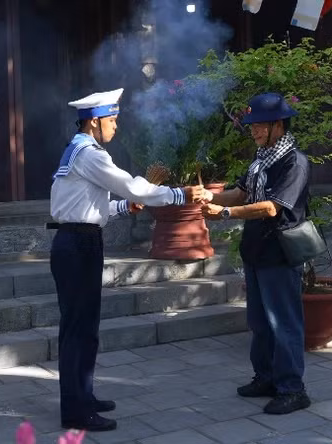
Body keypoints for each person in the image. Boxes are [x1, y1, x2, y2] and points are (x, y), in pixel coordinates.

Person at [49, 87, 206, 432]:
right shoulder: (91, 154)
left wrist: (124, 207)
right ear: (94, 122)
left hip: (79, 239)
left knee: (85, 327)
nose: (116, 126)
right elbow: (133, 186)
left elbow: (89, 205)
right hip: (77, 244)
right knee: (78, 329)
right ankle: (76, 410)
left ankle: (83, 396)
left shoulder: (80, 150)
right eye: (112, 119)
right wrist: (179, 193)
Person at [201, 92, 312, 415]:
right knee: (259, 321)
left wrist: (223, 215)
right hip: (256, 251)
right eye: (251, 126)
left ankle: (293, 388)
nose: (253, 131)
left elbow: (271, 207)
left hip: (279, 251)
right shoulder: (261, 158)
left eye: (259, 126)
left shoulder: (294, 162)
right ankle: (265, 378)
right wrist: (210, 196)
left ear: (278, 125)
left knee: (284, 323)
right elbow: (242, 192)